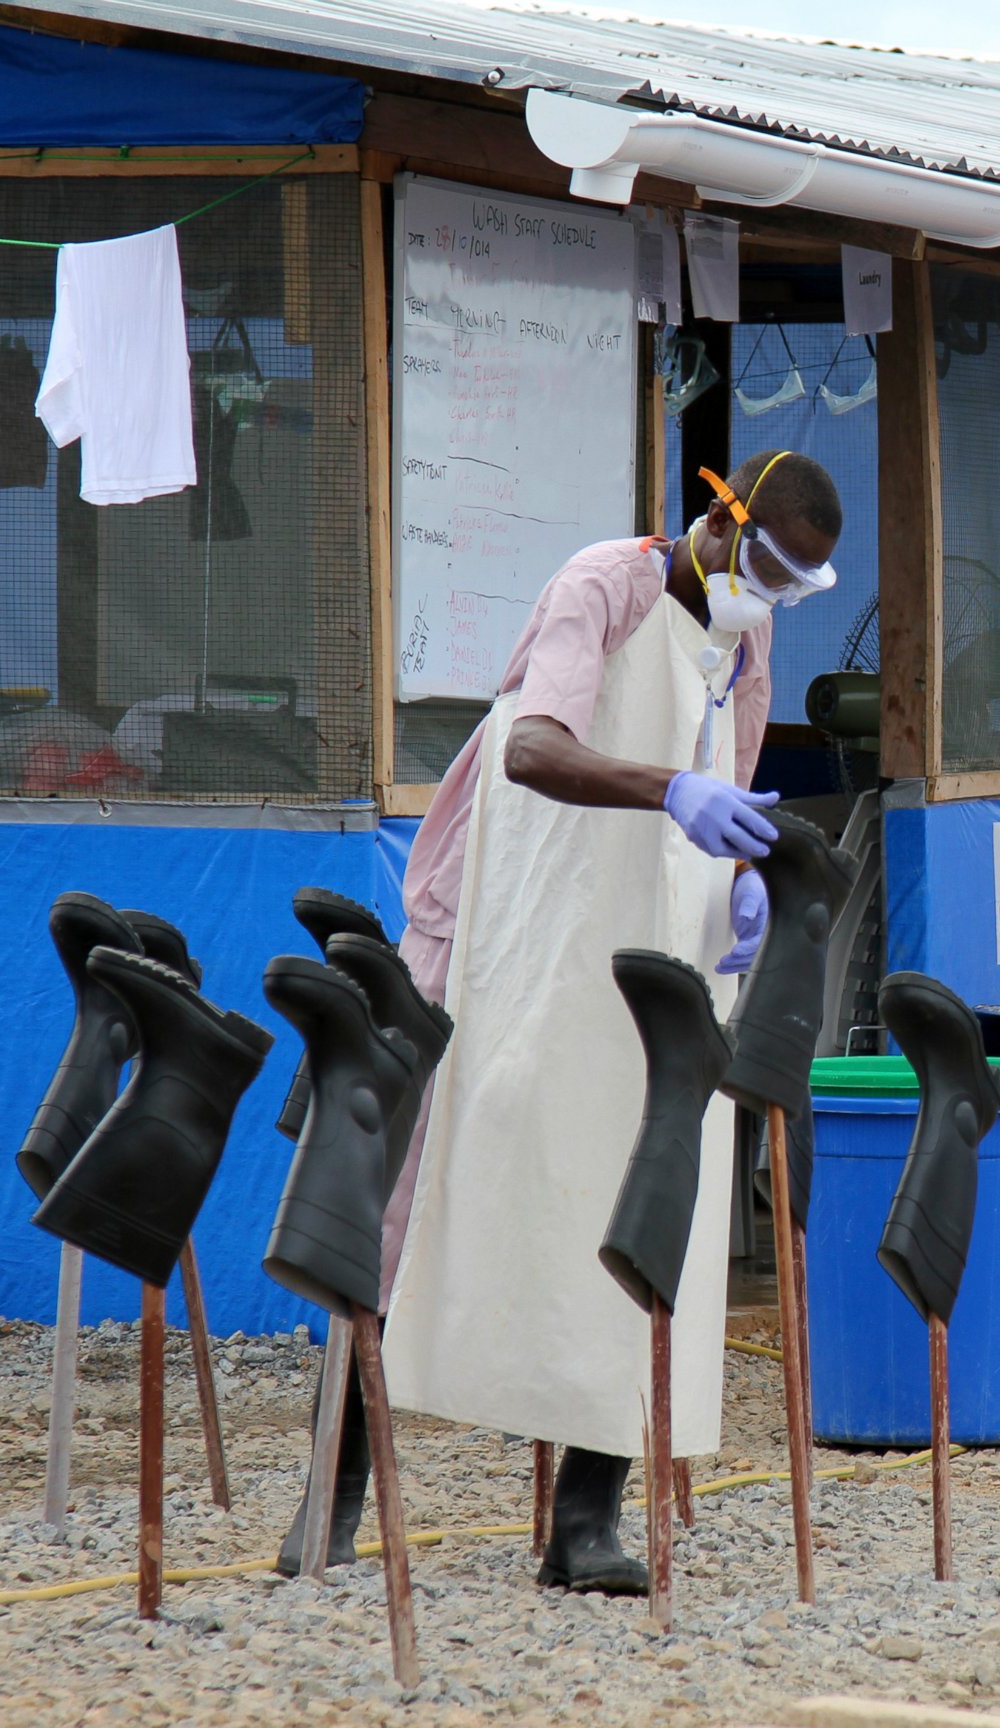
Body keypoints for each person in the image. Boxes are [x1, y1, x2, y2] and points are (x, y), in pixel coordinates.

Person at [374, 449, 842, 1593]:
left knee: (648, 1198)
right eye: (769, 569)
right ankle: (343, 1486)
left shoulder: (749, 636)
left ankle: (587, 1518)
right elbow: (535, 750)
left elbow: (733, 768)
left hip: (656, 945)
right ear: (721, 523)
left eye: (796, 587)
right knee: (433, 1188)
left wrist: (738, 880)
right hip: (533, 926)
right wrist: (671, 793)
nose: (772, 597)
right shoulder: (602, 586)